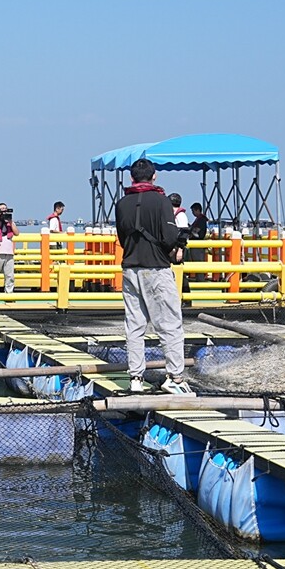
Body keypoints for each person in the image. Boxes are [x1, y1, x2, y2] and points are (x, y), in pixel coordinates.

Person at [115, 159, 193, 394]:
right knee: (169, 324)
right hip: (157, 268)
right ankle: (175, 377)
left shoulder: (122, 203)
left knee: (134, 326)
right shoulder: (161, 201)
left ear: (131, 178)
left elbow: (122, 237)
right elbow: (169, 237)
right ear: (154, 176)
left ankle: (135, 379)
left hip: (130, 268)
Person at [0, 204, 18, 292]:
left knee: (10, 275)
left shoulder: (10, 222)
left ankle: (9, 292)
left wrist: (10, 221)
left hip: (9, 252)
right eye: (2, 209)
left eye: (5, 209)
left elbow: (17, 233)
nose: (4, 211)